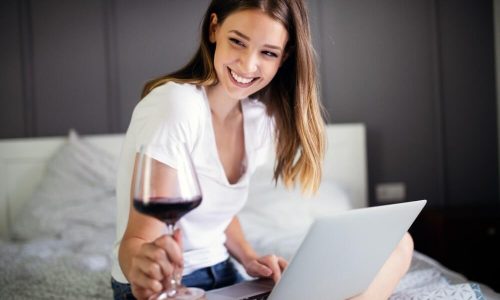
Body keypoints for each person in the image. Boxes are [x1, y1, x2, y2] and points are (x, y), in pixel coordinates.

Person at [110, 1, 414, 299]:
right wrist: (144, 274)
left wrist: (249, 258)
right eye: (237, 42)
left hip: (226, 275)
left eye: (267, 52)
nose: (247, 64)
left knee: (401, 244)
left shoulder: (258, 121)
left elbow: (217, 208)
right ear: (214, 29)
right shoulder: (176, 105)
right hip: (172, 285)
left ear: (284, 58)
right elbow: (137, 240)